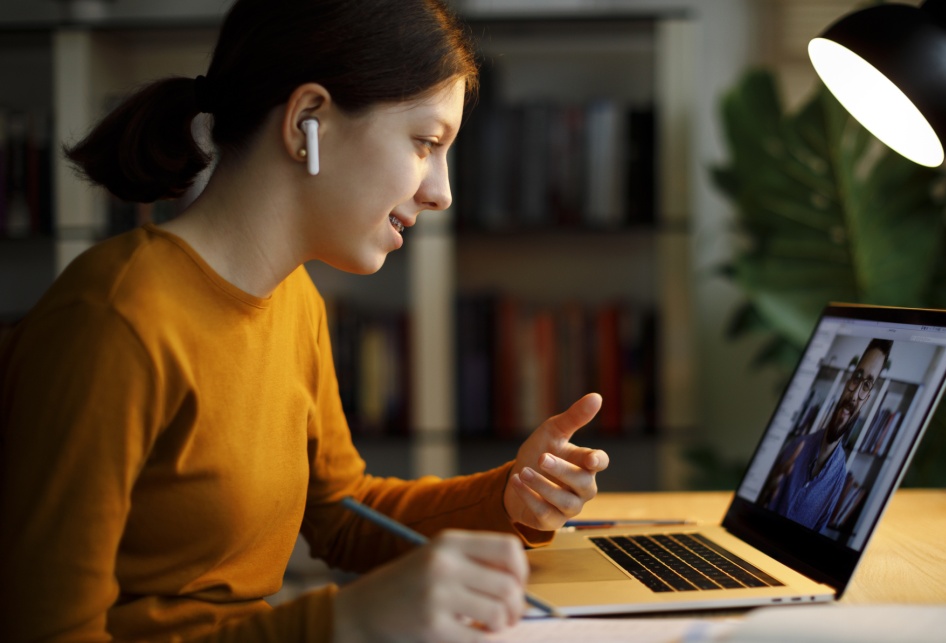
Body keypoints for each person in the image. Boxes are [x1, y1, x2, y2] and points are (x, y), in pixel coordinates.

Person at [0, 1, 610, 641]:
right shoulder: (112, 322)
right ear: (307, 121)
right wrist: (345, 621)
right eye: (426, 143)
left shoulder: (293, 300)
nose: (442, 191)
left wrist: (509, 497)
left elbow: (345, 516)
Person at [761, 339, 892, 533]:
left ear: (867, 400)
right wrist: (763, 495)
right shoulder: (795, 446)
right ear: (847, 381)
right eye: (857, 377)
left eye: (866, 385)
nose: (855, 394)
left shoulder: (838, 481)